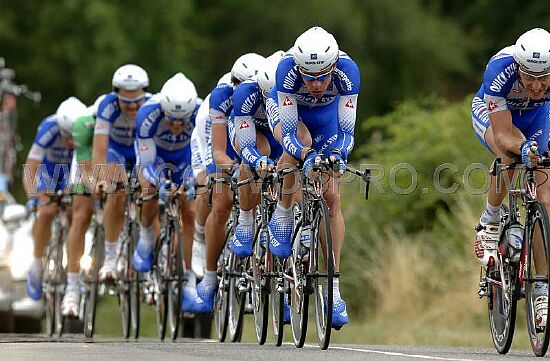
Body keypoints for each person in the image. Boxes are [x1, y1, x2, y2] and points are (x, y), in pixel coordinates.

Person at [269, 26, 360, 328]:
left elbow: (347, 134)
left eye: (323, 76)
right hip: (295, 121)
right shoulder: (286, 71)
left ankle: (333, 290)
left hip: (328, 120)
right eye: (309, 77)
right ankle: (283, 213)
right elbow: (290, 135)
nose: (317, 84)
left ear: (333, 66)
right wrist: (306, 155)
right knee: (294, 154)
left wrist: (337, 154)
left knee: (332, 197)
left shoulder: (348, 71)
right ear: (299, 70)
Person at [472, 28, 550, 328]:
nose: (535, 84)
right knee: (511, 155)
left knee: (545, 198)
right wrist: (524, 146)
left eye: (543, 78)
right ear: (518, 67)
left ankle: (542, 290)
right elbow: (504, 135)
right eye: (529, 76)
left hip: (538, 116)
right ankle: (490, 221)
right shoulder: (499, 69)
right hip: (497, 116)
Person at [193, 53, 265, 312]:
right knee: (221, 200)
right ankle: (210, 276)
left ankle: (264, 277)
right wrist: (231, 170)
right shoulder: (221, 97)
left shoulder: (266, 93)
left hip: (252, 139)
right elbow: (217, 151)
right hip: (216, 142)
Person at [133, 73, 200, 310]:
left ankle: (190, 278)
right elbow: (145, 160)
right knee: (148, 190)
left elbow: (200, 156)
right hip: (156, 158)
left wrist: (191, 181)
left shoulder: (200, 112)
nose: (177, 125)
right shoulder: (147, 113)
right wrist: (161, 182)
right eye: (172, 119)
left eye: (182, 120)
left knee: (191, 209)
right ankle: (146, 235)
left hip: (185, 159)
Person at [23, 97, 88, 300]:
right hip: (48, 172)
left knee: (75, 215)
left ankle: (75, 271)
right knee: (47, 210)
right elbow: (31, 166)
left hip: (72, 171)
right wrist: (34, 196)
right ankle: (36, 263)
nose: (70, 142)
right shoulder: (48, 128)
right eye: (66, 136)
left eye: (74, 136)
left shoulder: (88, 128)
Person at [92, 64, 150, 281]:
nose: (133, 107)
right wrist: (100, 179)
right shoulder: (106, 107)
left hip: (139, 151)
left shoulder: (152, 105)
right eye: (127, 102)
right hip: (115, 151)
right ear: (116, 95)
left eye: (137, 101)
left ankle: (152, 251)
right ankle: (110, 257)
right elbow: (99, 149)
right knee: (116, 192)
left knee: (150, 194)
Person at [230, 51, 285, 257]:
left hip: (277, 134)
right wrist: (257, 160)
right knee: (260, 151)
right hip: (253, 132)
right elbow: (247, 146)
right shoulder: (245, 92)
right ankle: (245, 221)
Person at [60, 95, 105, 317]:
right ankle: (72, 287)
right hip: (85, 164)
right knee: (81, 214)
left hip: (112, 158)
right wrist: (95, 186)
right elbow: (87, 170)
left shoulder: (128, 119)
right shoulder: (85, 124)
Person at [189, 72, 232, 279]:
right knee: (208, 184)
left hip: (236, 138)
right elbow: (211, 151)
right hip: (207, 141)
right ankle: (199, 236)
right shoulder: (210, 110)